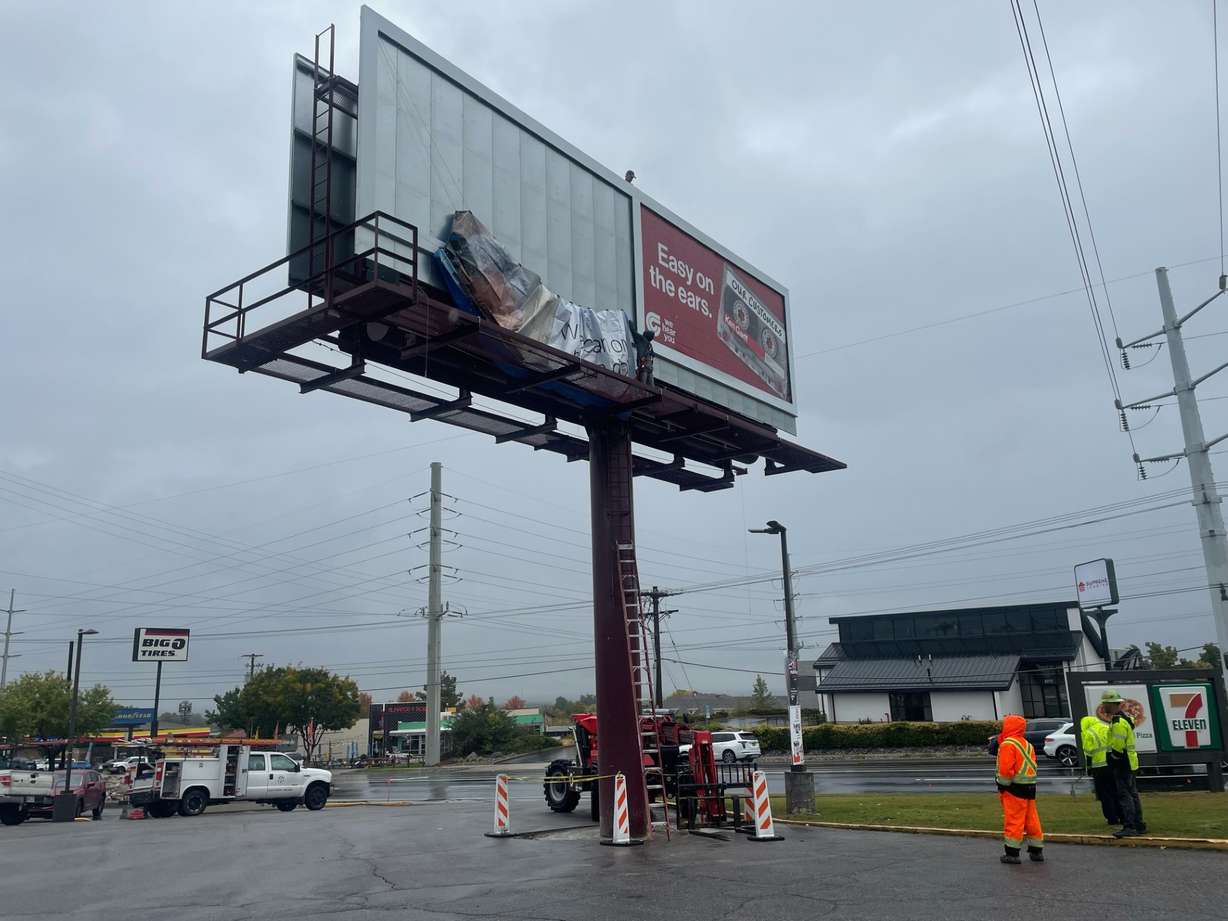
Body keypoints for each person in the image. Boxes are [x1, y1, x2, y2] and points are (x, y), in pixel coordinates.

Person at [995, 714, 1044, 864]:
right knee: (1032, 820)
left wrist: (1002, 785)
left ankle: (1012, 853)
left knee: (1014, 820)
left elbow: (1005, 769)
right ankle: (1036, 851)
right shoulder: (1026, 744)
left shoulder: (1008, 744)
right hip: (1029, 786)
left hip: (1013, 788)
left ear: (1008, 727)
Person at [1101, 689, 1147, 837]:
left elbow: (1117, 747)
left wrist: (1113, 760)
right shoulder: (1125, 720)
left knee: (1125, 796)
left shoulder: (1118, 723)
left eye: (1106, 704)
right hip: (1129, 762)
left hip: (1122, 764)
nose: (1104, 707)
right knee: (1132, 794)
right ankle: (1139, 824)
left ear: (1112, 704)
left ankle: (1130, 826)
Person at [1079, 711, 1120, 825]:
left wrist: (1089, 768)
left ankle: (1111, 818)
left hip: (1099, 768)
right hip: (1112, 764)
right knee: (1116, 791)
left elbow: (1088, 752)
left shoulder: (1088, 733)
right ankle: (1122, 815)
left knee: (1104, 795)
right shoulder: (1106, 727)